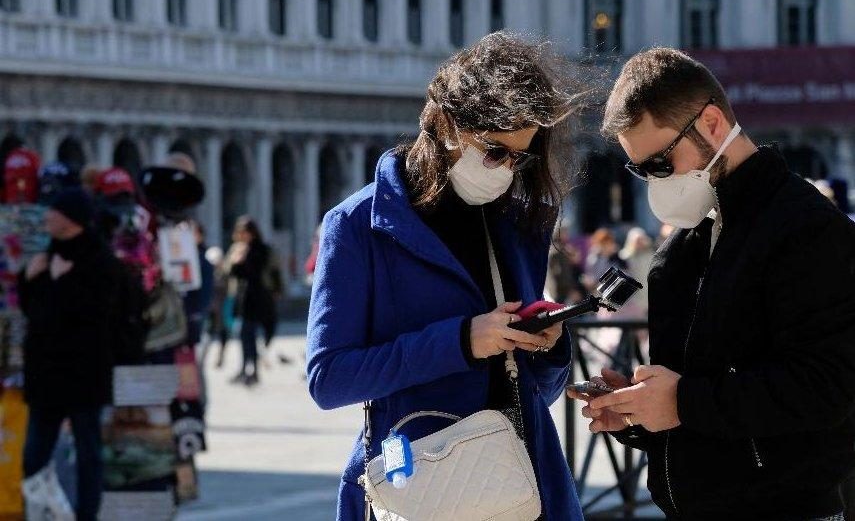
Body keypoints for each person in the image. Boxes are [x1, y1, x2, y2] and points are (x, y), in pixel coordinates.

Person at [307, 31, 587, 521]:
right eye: (495, 150)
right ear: (446, 122)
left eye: (520, 156)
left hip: (522, 477)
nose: (506, 169)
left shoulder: (519, 221)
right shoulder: (356, 226)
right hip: (416, 477)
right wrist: (459, 341)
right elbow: (329, 378)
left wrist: (546, 343)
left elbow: (536, 387)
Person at [569, 47, 855, 520]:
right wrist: (638, 411)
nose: (654, 182)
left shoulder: (807, 226)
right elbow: (700, 392)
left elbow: (829, 387)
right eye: (640, 170)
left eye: (661, 162)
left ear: (712, 124)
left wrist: (682, 403)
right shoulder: (680, 248)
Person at [18, 188, 125, 521]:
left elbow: (88, 315)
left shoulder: (100, 260)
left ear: (71, 220)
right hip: (47, 373)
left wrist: (59, 282)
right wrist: (29, 279)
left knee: (88, 450)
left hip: (83, 373)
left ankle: (86, 515)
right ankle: (39, 511)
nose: (47, 217)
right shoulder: (49, 255)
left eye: (53, 212)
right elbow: (34, 310)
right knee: (34, 453)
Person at [228, 216, 279, 386]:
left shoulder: (261, 249)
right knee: (243, 336)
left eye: (244, 233)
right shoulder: (239, 249)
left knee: (251, 335)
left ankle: (254, 371)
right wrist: (236, 261)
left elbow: (257, 272)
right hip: (243, 298)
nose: (242, 236)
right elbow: (234, 273)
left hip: (259, 298)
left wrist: (242, 259)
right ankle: (244, 369)